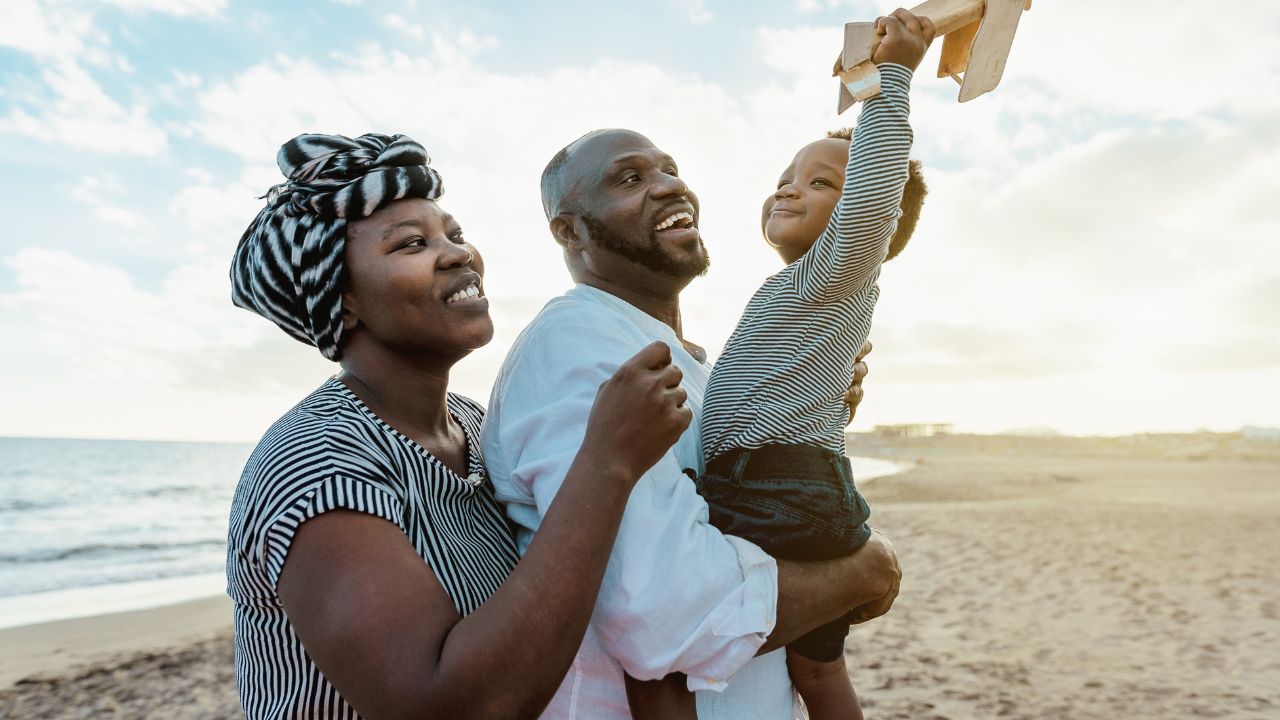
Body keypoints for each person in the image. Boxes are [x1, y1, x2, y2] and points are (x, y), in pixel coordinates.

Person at [225, 131, 694, 720]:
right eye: (411, 245)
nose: (458, 254)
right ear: (341, 299)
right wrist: (607, 463)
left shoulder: (474, 426)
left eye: (456, 234)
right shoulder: (319, 464)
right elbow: (450, 705)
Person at [480, 88, 904, 720]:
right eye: (629, 178)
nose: (669, 186)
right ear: (569, 230)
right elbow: (664, 615)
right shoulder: (579, 344)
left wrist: (814, 409)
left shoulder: (690, 359)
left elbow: (735, 470)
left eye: (671, 170)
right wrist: (864, 570)